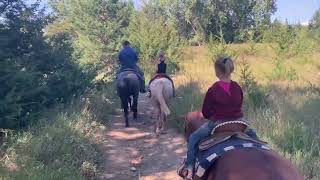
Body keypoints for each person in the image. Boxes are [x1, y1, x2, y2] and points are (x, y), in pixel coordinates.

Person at [177, 57, 257, 180]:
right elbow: (240, 104)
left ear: (217, 72)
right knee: (256, 139)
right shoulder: (237, 87)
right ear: (231, 70)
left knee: (193, 138)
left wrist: (211, 115)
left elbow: (205, 112)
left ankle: (189, 168)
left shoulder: (213, 89)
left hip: (218, 124)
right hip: (239, 123)